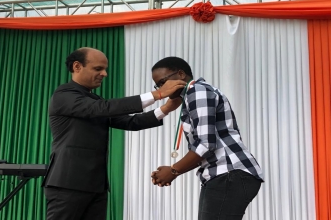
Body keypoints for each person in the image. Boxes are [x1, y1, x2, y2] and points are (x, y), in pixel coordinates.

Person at [42, 47, 186, 220]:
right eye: (98, 69)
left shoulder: (95, 101)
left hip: (96, 186)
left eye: (105, 69)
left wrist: (166, 108)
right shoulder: (64, 95)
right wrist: (158, 94)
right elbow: (103, 108)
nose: (104, 74)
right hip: (67, 184)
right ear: (77, 66)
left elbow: (130, 122)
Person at [150, 57, 264, 220]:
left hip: (229, 173)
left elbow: (206, 144)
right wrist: (172, 169)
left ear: (181, 74)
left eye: (163, 81)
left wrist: (174, 170)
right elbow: (203, 149)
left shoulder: (197, 91)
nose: (162, 88)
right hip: (223, 175)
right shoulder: (191, 96)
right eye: (158, 85)